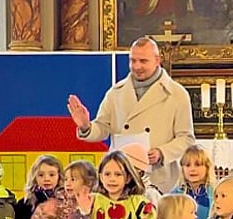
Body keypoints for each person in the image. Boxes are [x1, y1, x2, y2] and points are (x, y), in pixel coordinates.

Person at [67, 37, 196, 193]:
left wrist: (162, 153)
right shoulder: (116, 92)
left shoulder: (177, 94)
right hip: (120, 178)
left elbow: (186, 139)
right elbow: (102, 127)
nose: (137, 66)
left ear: (157, 60)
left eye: (143, 61)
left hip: (158, 179)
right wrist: (86, 126)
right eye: (132, 61)